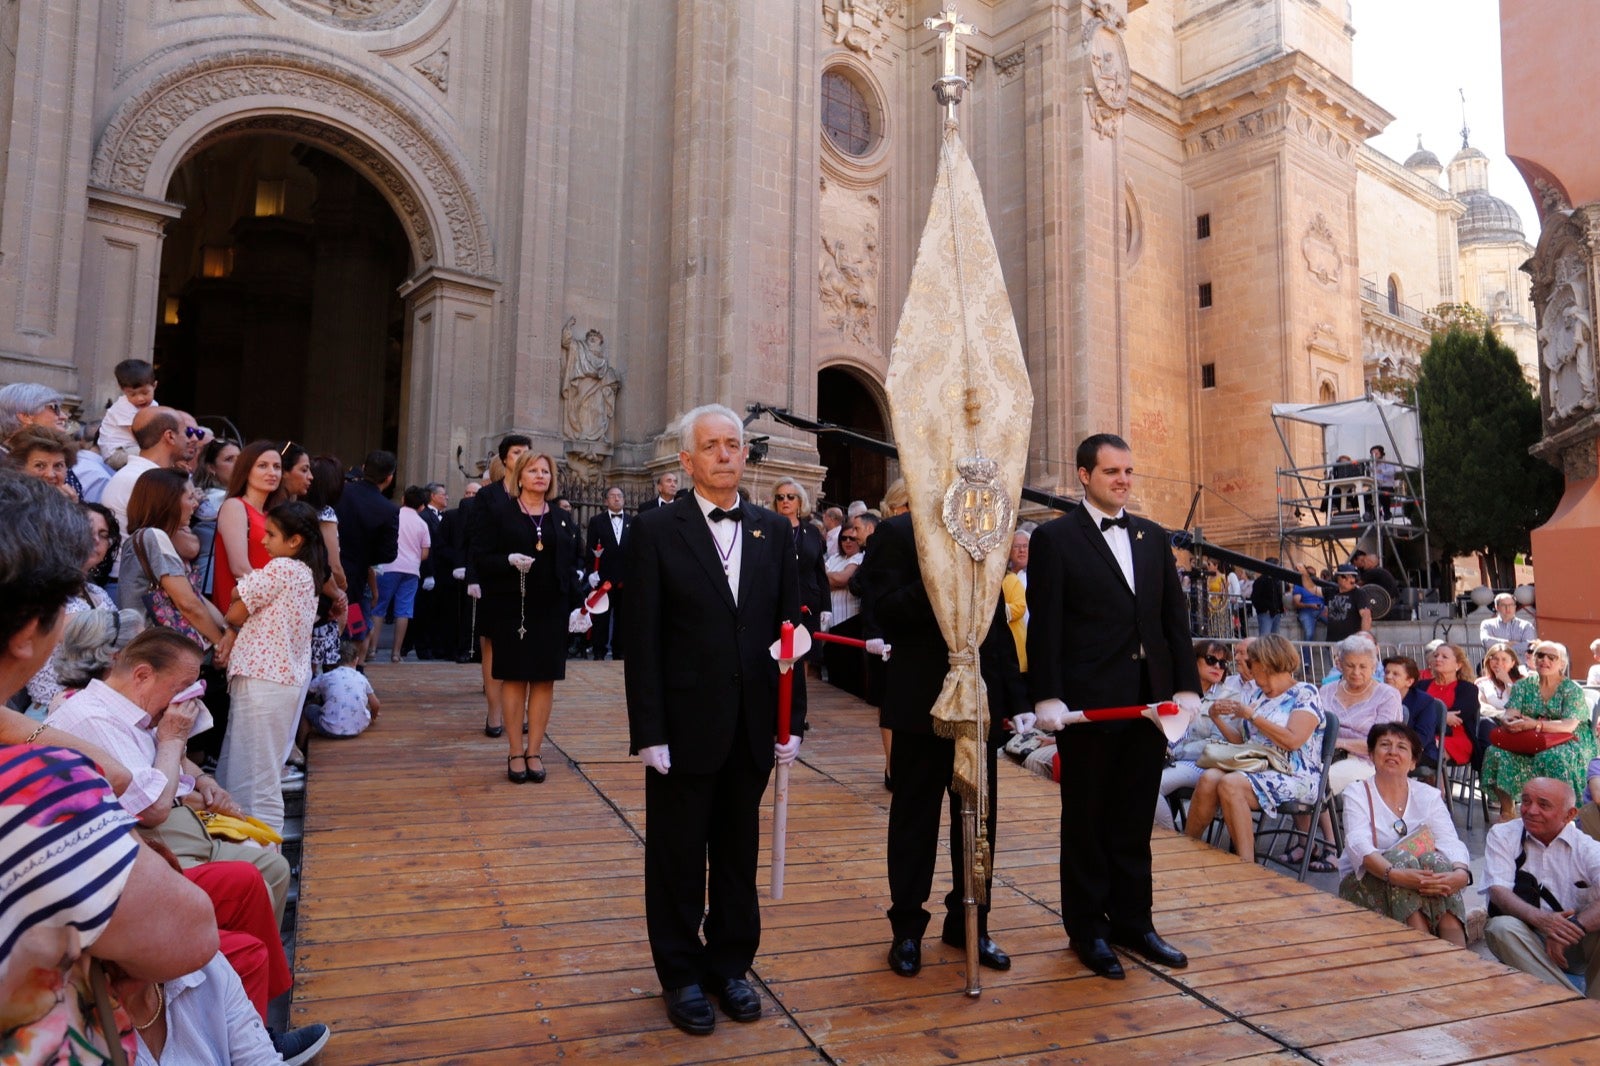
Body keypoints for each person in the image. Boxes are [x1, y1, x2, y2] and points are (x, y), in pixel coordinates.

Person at [623, 403, 805, 1035]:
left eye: (734, 444)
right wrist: (648, 731)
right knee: (676, 855)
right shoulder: (653, 531)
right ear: (687, 460)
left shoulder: (772, 531)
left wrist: (794, 724)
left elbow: (791, 635)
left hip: (754, 722)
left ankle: (730, 965)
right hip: (682, 723)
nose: (726, 454)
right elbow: (641, 639)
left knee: (737, 852)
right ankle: (679, 973)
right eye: (713, 445)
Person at [1023, 432, 1201, 979]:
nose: (1123, 480)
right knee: (1086, 821)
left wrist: (1186, 687)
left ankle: (1134, 922)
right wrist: (1047, 694)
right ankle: (1088, 930)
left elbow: (1174, 618)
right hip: (1088, 707)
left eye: (1128, 471)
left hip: (1149, 706)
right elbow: (1045, 623)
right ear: (1084, 475)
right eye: (1111, 472)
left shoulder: (1152, 535)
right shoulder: (1055, 539)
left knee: (1132, 820)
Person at [862, 512, 1023, 976]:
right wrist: (942, 575)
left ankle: (971, 922)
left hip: (979, 697)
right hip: (920, 701)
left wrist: (1013, 695)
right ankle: (907, 930)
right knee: (915, 816)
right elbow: (883, 611)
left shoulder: (986, 524)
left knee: (977, 822)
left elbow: (995, 619)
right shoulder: (897, 533)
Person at [44, 627, 292, 920]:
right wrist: (174, 738)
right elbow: (153, 808)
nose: (188, 701)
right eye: (182, 688)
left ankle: (252, 959)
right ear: (142, 675)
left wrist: (203, 779)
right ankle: (235, 959)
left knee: (276, 868)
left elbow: (167, 760)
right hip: (150, 841)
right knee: (255, 883)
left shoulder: (130, 706)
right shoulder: (92, 718)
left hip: (180, 830)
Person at [471, 451, 584, 784]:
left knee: (544, 679)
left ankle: (534, 751)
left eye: (545, 472)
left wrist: (580, 605)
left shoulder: (561, 518)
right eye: (533, 470)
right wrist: (507, 559)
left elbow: (572, 563)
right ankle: (514, 751)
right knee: (515, 678)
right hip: (512, 607)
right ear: (519, 476)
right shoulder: (501, 514)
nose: (540, 476)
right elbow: (481, 556)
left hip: (551, 609)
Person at [214, 501, 324, 834]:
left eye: (271, 534)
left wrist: (237, 595)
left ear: (295, 542)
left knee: (255, 777)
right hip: (277, 680)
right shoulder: (305, 574)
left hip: (265, 679)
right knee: (251, 770)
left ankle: (265, 855)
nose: (263, 541)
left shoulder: (282, 569)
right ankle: (252, 853)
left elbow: (234, 612)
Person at [1185, 633, 1325, 865]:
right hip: (1256, 767)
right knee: (1209, 778)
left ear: (1267, 663)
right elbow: (1242, 743)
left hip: (1294, 774)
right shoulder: (1259, 695)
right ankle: (1187, 850)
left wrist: (1252, 715)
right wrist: (1216, 718)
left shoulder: (1305, 693)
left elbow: (1292, 741)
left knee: (1231, 784)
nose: (1248, 668)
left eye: (1252, 662)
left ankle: (1246, 865)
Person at [1338, 723, 1472, 946]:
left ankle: (1459, 956)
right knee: (1402, 860)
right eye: (1384, 745)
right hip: (1367, 883)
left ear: (1412, 762)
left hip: (1418, 882)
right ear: (1372, 755)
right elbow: (1358, 844)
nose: (1392, 751)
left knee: (1437, 861)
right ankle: (1424, 949)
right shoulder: (1357, 792)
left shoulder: (1427, 795)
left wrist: (1460, 874)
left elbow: (1449, 840)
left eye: (1401, 747)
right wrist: (1397, 875)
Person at [1484, 777, 1600, 997]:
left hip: (1576, 943)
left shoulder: (1586, 847)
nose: (1530, 811)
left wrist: (1573, 927)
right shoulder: (1503, 834)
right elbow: (1498, 891)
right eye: (1526, 801)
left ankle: (1595, 1004)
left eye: (1543, 805)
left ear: (1569, 815)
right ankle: (1573, 1004)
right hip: (1530, 941)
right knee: (1500, 928)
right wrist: (1543, 921)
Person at [1482, 640, 1597, 821]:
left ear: (1562, 664)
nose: (1545, 660)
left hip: (1568, 738)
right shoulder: (1523, 686)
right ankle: (1507, 812)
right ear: (1534, 660)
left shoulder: (1571, 689)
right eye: (1540, 655)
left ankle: (1560, 816)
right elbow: (1510, 712)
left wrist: (1535, 724)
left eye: (1552, 657)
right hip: (1531, 738)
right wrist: (1508, 721)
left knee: (1552, 757)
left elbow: (1568, 726)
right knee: (1495, 753)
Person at [118, 468, 232, 650]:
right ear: (168, 501)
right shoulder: (152, 536)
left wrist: (228, 631)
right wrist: (221, 643)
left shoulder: (160, 539)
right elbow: (188, 603)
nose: (196, 504)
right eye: (189, 498)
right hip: (156, 651)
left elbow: (196, 597)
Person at [24, 503, 121, 712]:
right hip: (51, 713)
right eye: (86, 531)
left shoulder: (96, 592)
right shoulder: (45, 587)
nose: (95, 540)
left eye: (103, 534)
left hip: (95, 707)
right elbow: (92, 637)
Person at [466, 435, 531, 735]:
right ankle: (494, 713)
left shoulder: (534, 493)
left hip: (528, 584)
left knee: (523, 651)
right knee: (492, 647)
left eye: (527, 452)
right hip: (496, 578)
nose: (523, 456)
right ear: (504, 458)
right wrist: (474, 578)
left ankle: (520, 711)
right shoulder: (488, 496)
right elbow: (477, 542)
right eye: (517, 452)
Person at [1154, 639, 1232, 831]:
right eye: (1211, 659)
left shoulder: (1228, 697)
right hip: (1168, 758)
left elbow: (1217, 743)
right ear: (1193, 661)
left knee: (1152, 786)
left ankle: (1172, 839)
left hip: (1201, 763)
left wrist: (1176, 752)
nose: (1217, 666)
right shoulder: (1176, 691)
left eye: (1222, 663)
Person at [1318, 634, 1402, 807]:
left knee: (1316, 782)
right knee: (1299, 777)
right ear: (1339, 665)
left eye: (1363, 666)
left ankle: (1327, 832)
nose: (1356, 672)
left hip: (1368, 762)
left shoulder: (1387, 695)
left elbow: (1384, 744)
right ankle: (1320, 834)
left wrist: (1340, 743)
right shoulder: (1326, 691)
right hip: (1323, 757)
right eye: (1350, 665)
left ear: (1373, 666)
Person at [333, 449, 401, 655]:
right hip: (356, 580)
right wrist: (362, 556)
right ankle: (353, 669)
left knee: (326, 626)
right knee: (356, 629)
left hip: (326, 573)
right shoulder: (387, 509)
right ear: (389, 478)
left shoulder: (338, 492)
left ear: (363, 469)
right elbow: (388, 554)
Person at [211, 440, 283, 615]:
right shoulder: (235, 506)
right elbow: (239, 568)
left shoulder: (271, 514)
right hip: (244, 610)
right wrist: (280, 598)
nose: (272, 473)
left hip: (267, 609)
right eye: (262, 466)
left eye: (277, 467)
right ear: (246, 470)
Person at [370, 484, 431, 663]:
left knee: (379, 606)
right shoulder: (422, 523)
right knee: (404, 610)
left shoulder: (392, 514)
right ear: (422, 506)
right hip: (411, 569)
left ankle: (372, 648)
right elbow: (425, 552)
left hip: (388, 566)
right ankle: (396, 653)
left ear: (403, 499)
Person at [772, 478, 827, 636]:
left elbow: (819, 571)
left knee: (807, 656)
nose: (785, 501)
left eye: (790, 497)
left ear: (800, 501)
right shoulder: (769, 530)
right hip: (778, 603)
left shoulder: (812, 531)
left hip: (808, 604)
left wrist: (826, 607)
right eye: (780, 497)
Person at [584, 485, 632, 660]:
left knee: (623, 617)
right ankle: (599, 651)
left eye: (619, 495)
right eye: (612, 496)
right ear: (606, 501)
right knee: (601, 616)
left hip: (625, 578)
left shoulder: (632, 521)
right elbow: (591, 548)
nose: (616, 499)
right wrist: (590, 572)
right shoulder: (597, 521)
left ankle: (620, 651)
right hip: (604, 577)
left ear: (624, 499)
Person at [823, 512, 867, 697]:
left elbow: (843, 579)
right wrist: (833, 579)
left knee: (849, 673)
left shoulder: (861, 558)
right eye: (843, 538)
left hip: (851, 622)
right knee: (833, 673)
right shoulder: (834, 559)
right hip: (831, 624)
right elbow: (823, 581)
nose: (848, 542)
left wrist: (830, 578)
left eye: (852, 538)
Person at [1422, 641, 1483, 773]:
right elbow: (1414, 712)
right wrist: (1442, 717)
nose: (1438, 659)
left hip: (1455, 738)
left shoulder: (1468, 689)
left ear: (1458, 665)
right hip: (1424, 734)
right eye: (1436, 655)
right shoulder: (1421, 686)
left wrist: (1427, 717)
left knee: (1424, 749)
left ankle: (1437, 789)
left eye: (1444, 657)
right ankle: (1437, 789)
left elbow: (1456, 718)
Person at [192, 438, 240, 597]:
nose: (238, 465)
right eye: (229, 459)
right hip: (212, 584)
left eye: (240, 459)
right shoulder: (211, 500)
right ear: (211, 467)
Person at [1385, 655, 1448, 778]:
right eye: (1387, 672)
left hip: (1419, 751)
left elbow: (1423, 737)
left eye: (1395, 674)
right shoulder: (1378, 696)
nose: (1388, 677)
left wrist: (1396, 746)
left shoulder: (1424, 701)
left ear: (1409, 681)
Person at [303, 640, 380, 738]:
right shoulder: (361, 678)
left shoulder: (326, 676)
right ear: (356, 660)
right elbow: (376, 704)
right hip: (358, 729)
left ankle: (301, 743)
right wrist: (373, 716)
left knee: (308, 709)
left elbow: (308, 691)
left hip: (330, 730)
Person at [98, 358, 160, 461]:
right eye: (133, 394)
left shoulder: (154, 406)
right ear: (123, 390)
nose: (140, 399)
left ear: (154, 386)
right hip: (116, 453)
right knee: (156, 455)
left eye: (145, 393)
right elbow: (138, 434)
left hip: (134, 449)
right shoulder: (123, 407)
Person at [5, 423, 78, 499]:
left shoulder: (68, 501)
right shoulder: (7, 501)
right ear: (19, 468)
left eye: (58, 465)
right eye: (40, 465)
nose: (50, 474)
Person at [1321, 564, 1374, 643]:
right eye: (1346, 577)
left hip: (1351, 643)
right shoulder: (1331, 591)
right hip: (1333, 642)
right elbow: (1312, 588)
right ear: (1338, 578)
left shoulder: (1359, 593)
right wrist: (1304, 573)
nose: (1351, 580)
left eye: (1353, 576)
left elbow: (1366, 616)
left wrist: (1364, 638)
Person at [1479, 641, 1527, 717]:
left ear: (1512, 663)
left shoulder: (1523, 681)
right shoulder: (1481, 683)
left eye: (1504, 659)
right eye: (1495, 659)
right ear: (1489, 661)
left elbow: (1522, 705)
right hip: (1492, 721)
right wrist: (1503, 715)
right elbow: (1482, 707)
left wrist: (1507, 681)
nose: (1499, 663)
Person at [1249, 557, 1287, 636]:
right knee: (1264, 637)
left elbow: (1278, 596)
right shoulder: (1260, 581)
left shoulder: (1276, 580)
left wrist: (1280, 609)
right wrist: (1264, 609)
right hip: (1266, 613)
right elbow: (1255, 598)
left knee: (1275, 638)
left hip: (1276, 613)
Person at [1292, 566, 1325, 642]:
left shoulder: (1319, 584)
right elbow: (1296, 603)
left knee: (1336, 625)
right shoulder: (1299, 585)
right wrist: (1310, 605)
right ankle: (1306, 654)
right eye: (1310, 574)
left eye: (1314, 574)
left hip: (1321, 610)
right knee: (1309, 634)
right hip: (1306, 611)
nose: (1313, 576)